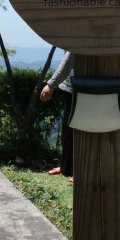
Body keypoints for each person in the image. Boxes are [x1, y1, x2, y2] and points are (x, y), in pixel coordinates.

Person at [40, 52, 75, 180]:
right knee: (68, 130)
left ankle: (79, 169)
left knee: (78, 131)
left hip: (81, 87)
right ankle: (66, 166)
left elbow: (68, 60)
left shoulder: (77, 35)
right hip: (70, 86)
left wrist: (51, 84)